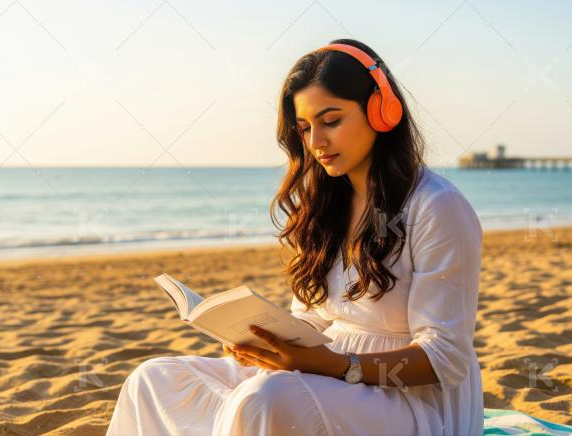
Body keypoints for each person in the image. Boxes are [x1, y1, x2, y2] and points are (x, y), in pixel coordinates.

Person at [106, 38, 483, 436]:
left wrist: (339, 366)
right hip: (325, 371)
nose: (316, 141)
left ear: (381, 111)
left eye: (331, 120)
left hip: (410, 400)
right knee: (153, 379)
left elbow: (445, 357)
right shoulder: (326, 205)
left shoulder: (437, 206)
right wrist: (266, 344)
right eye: (304, 128)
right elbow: (312, 318)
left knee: (266, 399)